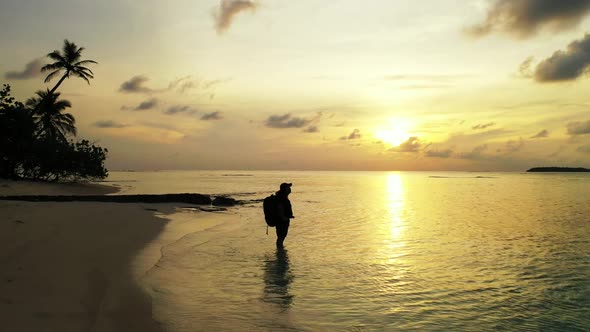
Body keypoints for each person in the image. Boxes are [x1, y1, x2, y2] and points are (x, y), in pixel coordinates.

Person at [275, 182, 294, 248]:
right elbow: (279, 208)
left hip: (282, 220)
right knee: (281, 237)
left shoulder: (282, 197)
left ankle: (280, 252)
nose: (290, 189)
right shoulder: (282, 198)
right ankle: (280, 251)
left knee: (281, 237)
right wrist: (283, 217)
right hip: (282, 221)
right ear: (285, 189)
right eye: (288, 188)